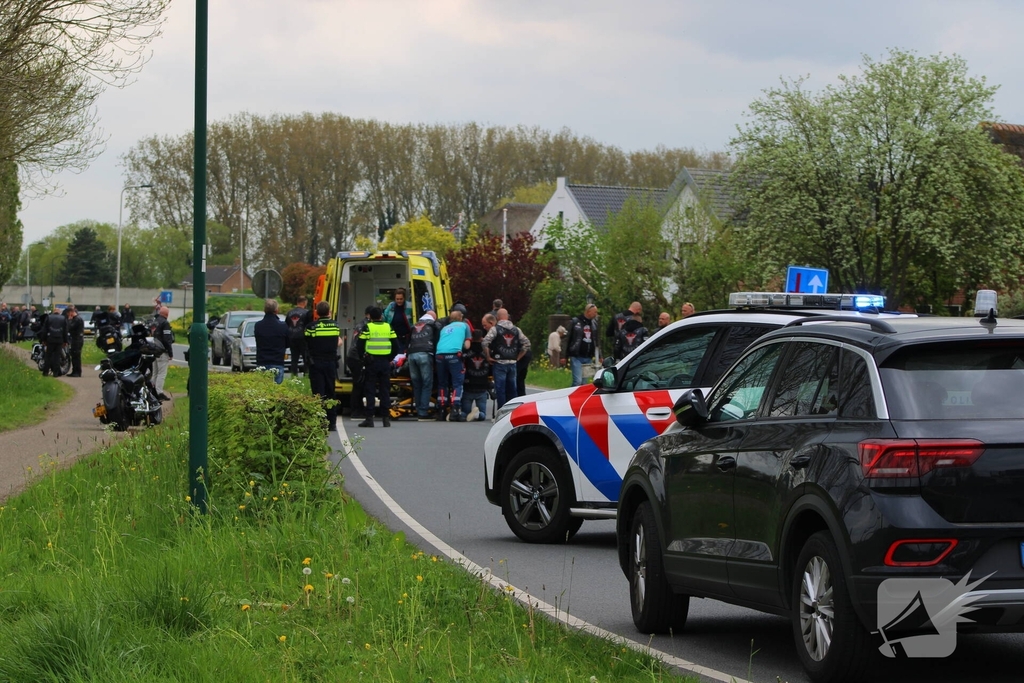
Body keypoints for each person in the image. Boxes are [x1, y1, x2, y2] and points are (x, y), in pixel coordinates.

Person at [482, 308, 530, 410]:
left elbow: (485, 342)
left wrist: (488, 356)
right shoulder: (517, 330)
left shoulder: (495, 329)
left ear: (497, 317)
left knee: (500, 389)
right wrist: (518, 357)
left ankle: (502, 412)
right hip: (512, 362)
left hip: (499, 362)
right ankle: (512, 411)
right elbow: (526, 344)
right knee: (512, 389)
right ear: (507, 317)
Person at [305, 301, 342, 431]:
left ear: (316, 313)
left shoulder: (311, 327)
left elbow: (307, 342)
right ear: (329, 312)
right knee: (330, 392)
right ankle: (332, 422)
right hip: (330, 363)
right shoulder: (335, 326)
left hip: (316, 363)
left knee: (318, 393)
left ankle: (320, 421)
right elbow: (337, 341)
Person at [357, 306, 397, 428]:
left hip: (371, 362)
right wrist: (390, 358)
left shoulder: (368, 327)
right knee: (385, 390)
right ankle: (386, 419)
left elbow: (360, 344)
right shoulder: (388, 327)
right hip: (385, 362)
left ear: (370, 317)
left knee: (370, 390)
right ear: (381, 316)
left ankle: (369, 418)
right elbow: (395, 345)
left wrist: (363, 358)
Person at [433, 308, 471, 422]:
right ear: (460, 317)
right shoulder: (464, 326)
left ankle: (442, 409)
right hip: (454, 355)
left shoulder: (444, 328)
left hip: (439, 355)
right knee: (457, 383)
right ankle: (455, 409)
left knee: (442, 383)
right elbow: (468, 345)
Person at [406, 311, 438, 420]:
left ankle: (418, 409)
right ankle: (423, 412)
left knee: (417, 384)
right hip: (425, 353)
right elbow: (437, 340)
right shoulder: (433, 325)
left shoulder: (414, 325)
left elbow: (408, 340)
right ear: (433, 317)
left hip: (412, 355)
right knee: (426, 384)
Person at [346, 305, 373, 420]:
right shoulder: (366, 326)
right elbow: (360, 344)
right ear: (368, 315)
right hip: (356, 358)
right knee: (358, 385)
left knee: (358, 384)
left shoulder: (360, 324)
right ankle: (356, 411)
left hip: (352, 357)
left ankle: (358, 409)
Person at [254, 298, 288, 384]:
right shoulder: (283, 326)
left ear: (264, 310)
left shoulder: (258, 325)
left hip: (262, 361)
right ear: (276, 310)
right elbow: (287, 342)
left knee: (262, 389)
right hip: (277, 361)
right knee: (277, 390)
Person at [567, 303, 600, 387]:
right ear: (588, 312)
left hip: (588, 356)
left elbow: (597, 340)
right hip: (576, 355)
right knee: (578, 381)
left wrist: (599, 355)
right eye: (595, 312)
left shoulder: (594, 324)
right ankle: (571, 397)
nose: (596, 314)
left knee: (584, 383)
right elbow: (567, 338)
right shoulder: (575, 322)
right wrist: (564, 355)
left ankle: (580, 399)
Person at [462, 329, 490, 421]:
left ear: (472, 338)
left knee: (465, 414)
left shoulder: (467, 349)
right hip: (482, 386)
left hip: (468, 385)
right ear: (482, 338)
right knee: (483, 415)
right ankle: (478, 414)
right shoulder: (487, 351)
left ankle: (460, 414)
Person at [285, 296, 313, 377]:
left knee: (294, 359)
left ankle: (294, 375)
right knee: (306, 358)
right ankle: (306, 374)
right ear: (304, 303)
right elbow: (309, 325)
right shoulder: (306, 313)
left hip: (292, 338)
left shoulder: (290, 313)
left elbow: (287, 325)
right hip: (303, 338)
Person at [151, 306, 175, 399]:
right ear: (166, 314)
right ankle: (159, 392)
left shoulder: (155, 322)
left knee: (155, 372)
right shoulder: (165, 323)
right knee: (162, 373)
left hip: (154, 350)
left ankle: (152, 391)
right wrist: (170, 353)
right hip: (162, 351)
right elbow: (167, 339)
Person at [40, 307, 69, 377]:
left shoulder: (48, 317)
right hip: (59, 340)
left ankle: (45, 372)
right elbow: (65, 330)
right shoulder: (63, 318)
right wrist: (66, 341)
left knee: (48, 356)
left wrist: (43, 340)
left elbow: (45, 329)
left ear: (53, 311)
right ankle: (56, 373)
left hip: (50, 339)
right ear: (59, 312)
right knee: (57, 356)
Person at [383, 287, 413, 352]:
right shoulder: (391, 306)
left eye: (401, 299)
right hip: (394, 336)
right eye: (397, 299)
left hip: (407, 336)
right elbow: (384, 317)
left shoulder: (410, 306)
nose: (399, 301)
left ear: (404, 298)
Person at [66, 306, 85, 377]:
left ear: (71, 312)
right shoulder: (77, 318)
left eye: (68, 313)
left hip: (77, 340)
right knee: (74, 356)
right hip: (76, 339)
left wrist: (69, 320)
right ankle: (75, 371)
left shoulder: (77, 319)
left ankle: (77, 371)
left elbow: (70, 327)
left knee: (76, 356)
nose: (68, 315)